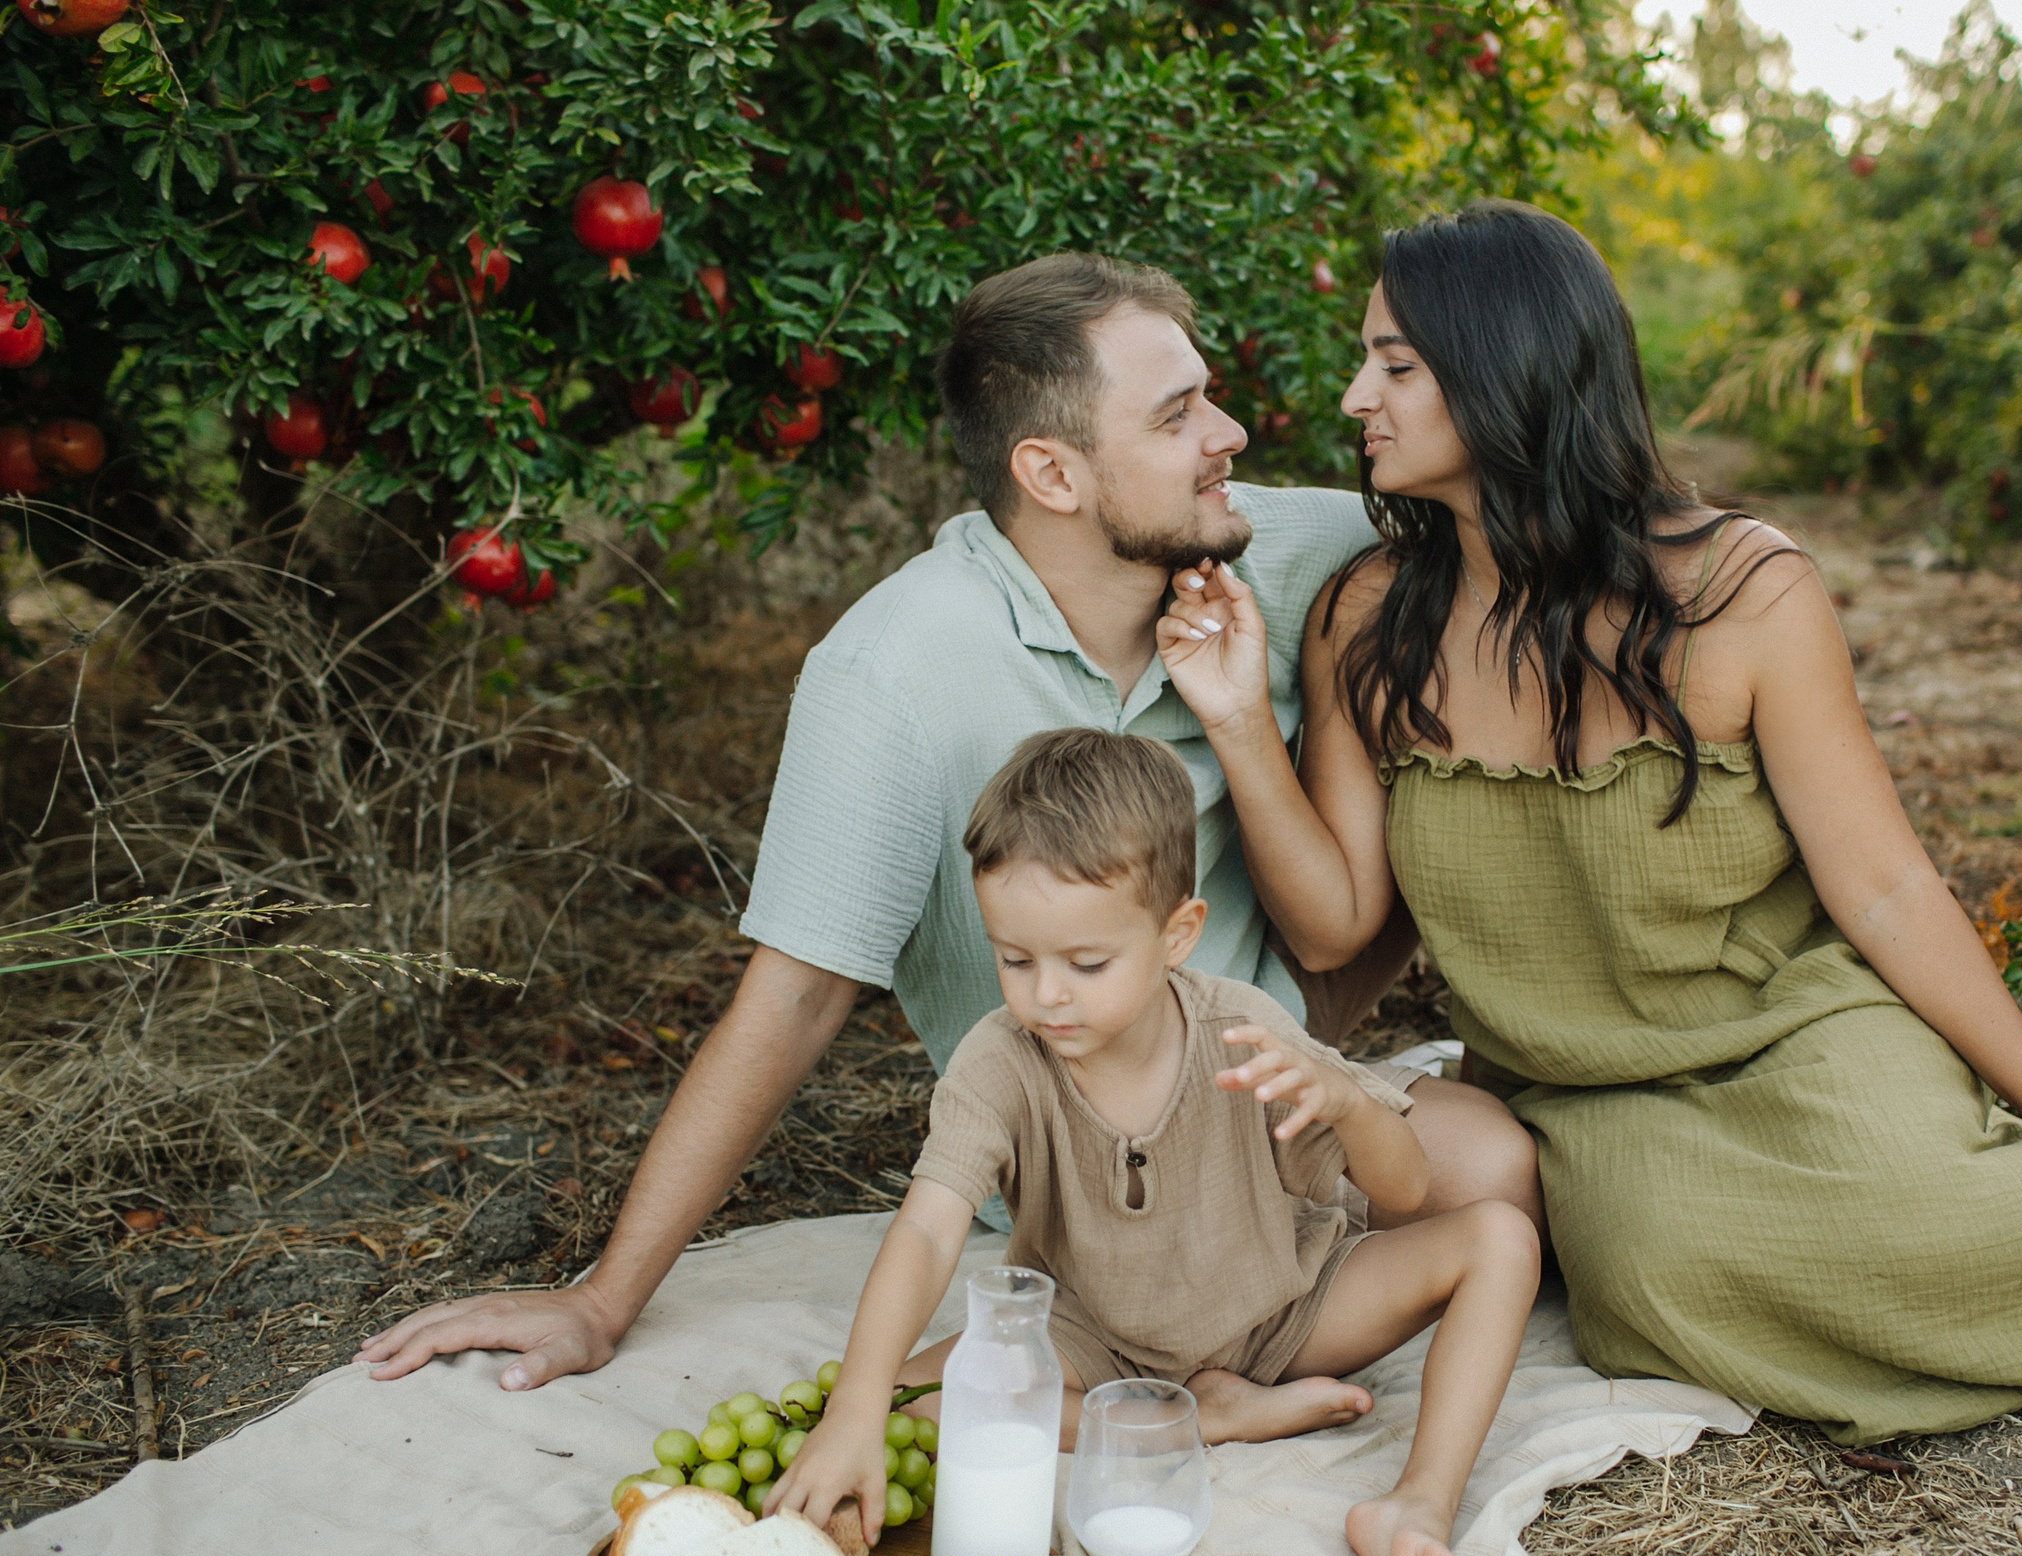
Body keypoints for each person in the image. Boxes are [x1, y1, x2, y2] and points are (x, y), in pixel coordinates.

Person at [1151, 199, 2022, 1448]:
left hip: (1802, 1022)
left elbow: (1885, 891)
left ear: (1505, 367)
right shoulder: (1367, 618)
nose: (1353, 398)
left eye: (1395, 365)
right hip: (1584, 1089)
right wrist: (1228, 716)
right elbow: (1336, 919)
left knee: (1928, 1207)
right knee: (1658, 1283)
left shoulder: (1740, 593)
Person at [355, 253, 1539, 1393]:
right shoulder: (891, 672)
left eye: (1209, 397)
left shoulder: (1286, 549)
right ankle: (1216, 1377)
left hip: (1268, 1080)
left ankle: (1238, 1356)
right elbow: (794, 995)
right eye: (1178, 415)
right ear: (1054, 475)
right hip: (1082, 1156)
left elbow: (1523, 533)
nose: (1227, 435)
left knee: (1498, 1169)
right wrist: (606, 1298)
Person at [765, 730, 1540, 1556]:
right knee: (903, 1399)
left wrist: (1352, 1107)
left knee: (1501, 1237)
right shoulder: (1000, 1063)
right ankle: (1205, 1419)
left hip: (1289, 1310)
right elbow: (931, 1225)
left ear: (1178, 934)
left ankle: (1418, 1503)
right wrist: (857, 1410)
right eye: (1014, 959)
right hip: (1096, 1331)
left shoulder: (1243, 1032)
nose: (1046, 995)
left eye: (1086, 964)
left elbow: (1403, 1195)